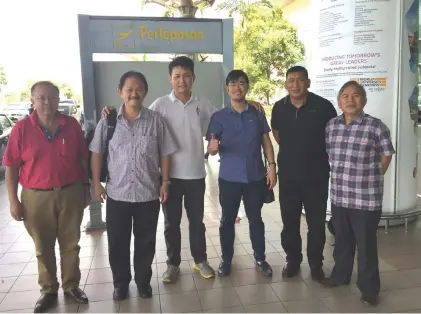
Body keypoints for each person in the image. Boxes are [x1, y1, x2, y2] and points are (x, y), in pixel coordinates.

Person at [101, 56, 264, 283]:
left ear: (193, 78)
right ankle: (173, 264)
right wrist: (109, 110)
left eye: (186, 76)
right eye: (177, 76)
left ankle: (200, 260)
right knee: (171, 223)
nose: (181, 80)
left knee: (197, 222)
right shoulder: (160, 104)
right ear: (170, 78)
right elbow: (136, 112)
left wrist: (250, 103)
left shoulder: (202, 103)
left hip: (196, 173)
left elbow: (227, 116)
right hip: (169, 177)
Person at [3, 81, 90, 313]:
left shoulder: (70, 125)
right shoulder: (21, 129)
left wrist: (86, 186)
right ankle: (48, 289)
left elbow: (83, 158)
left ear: (58, 99)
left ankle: (72, 285)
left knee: (71, 243)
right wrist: (14, 201)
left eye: (52, 97)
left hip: (71, 192)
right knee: (43, 245)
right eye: (41, 98)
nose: (47, 102)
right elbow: (11, 167)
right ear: (32, 101)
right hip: (35, 197)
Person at [90, 71, 177, 300]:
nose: (134, 93)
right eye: (129, 89)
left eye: (138, 89)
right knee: (117, 243)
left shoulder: (156, 120)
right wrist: (96, 184)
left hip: (148, 193)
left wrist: (165, 182)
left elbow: (166, 153)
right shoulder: (107, 122)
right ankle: (120, 283)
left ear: (145, 92)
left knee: (145, 242)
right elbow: (96, 153)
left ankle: (143, 282)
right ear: (120, 92)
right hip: (117, 195)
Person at [322, 81, 395, 306]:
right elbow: (329, 154)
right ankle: (340, 276)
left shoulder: (376, 126)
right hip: (340, 196)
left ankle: (369, 288)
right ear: (339, 101)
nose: (350, 100)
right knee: (342, 241)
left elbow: (386, 156)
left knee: (366, 246)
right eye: (345, 96)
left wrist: (373, 175)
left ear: (364, 101)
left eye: (355, 96)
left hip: (366, 198)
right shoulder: (331, 126)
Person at [206, 70, 277, 277]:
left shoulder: (257, 112)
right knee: (227, 219)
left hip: (255, 176)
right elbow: (211, 147)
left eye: (242, 83)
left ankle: (260, 258)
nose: (238, 87)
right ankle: (226, 260)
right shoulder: (219, 117)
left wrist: (272, 166)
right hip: (229, 178)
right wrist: (212, 148)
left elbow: (266, 141)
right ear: (227, 89)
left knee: (256, 219)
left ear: (247, 87)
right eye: (233, 84)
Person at [270, 66, 337, 282]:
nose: (295, 85)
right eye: (291, 81)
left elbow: (332, 137)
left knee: (316, 223)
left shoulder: (323, 107)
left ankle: (316, 264)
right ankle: (293, 261)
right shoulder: (279, 108)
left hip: (316, 176)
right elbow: (277, 135)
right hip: (289, 175)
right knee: (289, 221)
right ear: (286, 84)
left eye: (300, 80)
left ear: (308, 82)